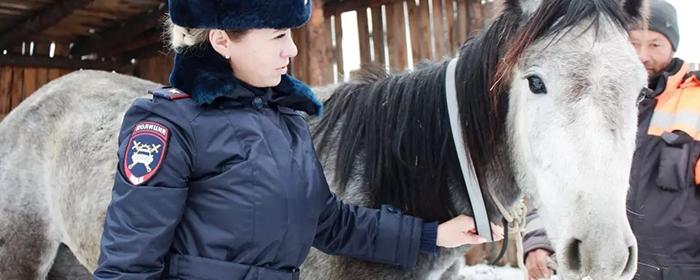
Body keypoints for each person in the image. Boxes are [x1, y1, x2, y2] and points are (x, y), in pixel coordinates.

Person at [93, 1, 504, 279]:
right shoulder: (168, 124)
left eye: (290, 34)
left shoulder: (285, 120)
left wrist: (432, 236)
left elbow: (330, 223)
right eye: (276, 36)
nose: (291, 49)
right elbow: (129, 262)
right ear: (222, 41)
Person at [523, 0, 700, 279]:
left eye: (655, 44)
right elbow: (555, 175)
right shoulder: (585, 103)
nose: (643, 54)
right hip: (597, 266)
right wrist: (538, 239)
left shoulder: (696, 100)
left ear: (673, 48)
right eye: (633, 42)